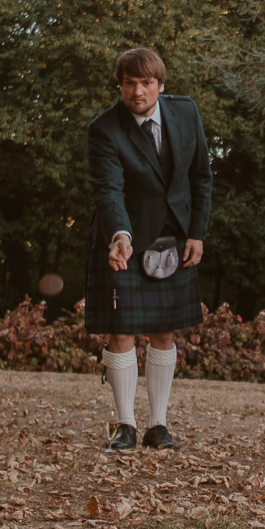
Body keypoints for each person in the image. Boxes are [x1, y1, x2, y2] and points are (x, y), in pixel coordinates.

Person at [85, 47, 211, 452]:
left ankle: (159, 425)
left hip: (174, 239)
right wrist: (120, 235)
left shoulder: (185, 112)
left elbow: (201, 176)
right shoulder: (104, 129)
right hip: (127, 239)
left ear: (161, 84)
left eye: (145, 83)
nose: (137, 91)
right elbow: (109, 190)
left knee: (164, 332)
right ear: (120, 85)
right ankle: (125, 425)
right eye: (128, 83)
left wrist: (197, 232)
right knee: (120, 332)